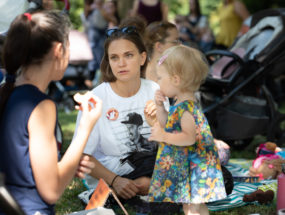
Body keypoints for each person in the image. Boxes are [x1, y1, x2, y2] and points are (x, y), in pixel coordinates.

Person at [0, 10, 102, 215]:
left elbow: (23, 165)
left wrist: (68, 165)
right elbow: (52, 191)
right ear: (58, 49)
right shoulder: (41, 106)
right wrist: (85, 126)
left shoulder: (8, 92)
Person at [74, 25, 164, 200]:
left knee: (221, 177)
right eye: (114, 58)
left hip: (153, 163)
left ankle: (145, 187)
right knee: (156, 173)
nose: (121, 63)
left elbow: (168, 144)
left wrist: (158, 124)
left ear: (142, 58)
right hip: (114, 171)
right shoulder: (96, 98)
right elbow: (81, 156)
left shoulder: (154, 90)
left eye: (128, 55)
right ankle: (116, 190)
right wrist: (115, 180)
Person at [147, 45, 227, 215]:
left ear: (176, 80)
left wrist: (163, 136)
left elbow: (188, 138)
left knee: (192, 208)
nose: (158, 82)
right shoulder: (179, 105)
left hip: (194, 169)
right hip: (187, 168)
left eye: (161, 78)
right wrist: (160, 107)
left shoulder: (187, 110)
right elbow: (167, 124)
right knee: (191, 206)